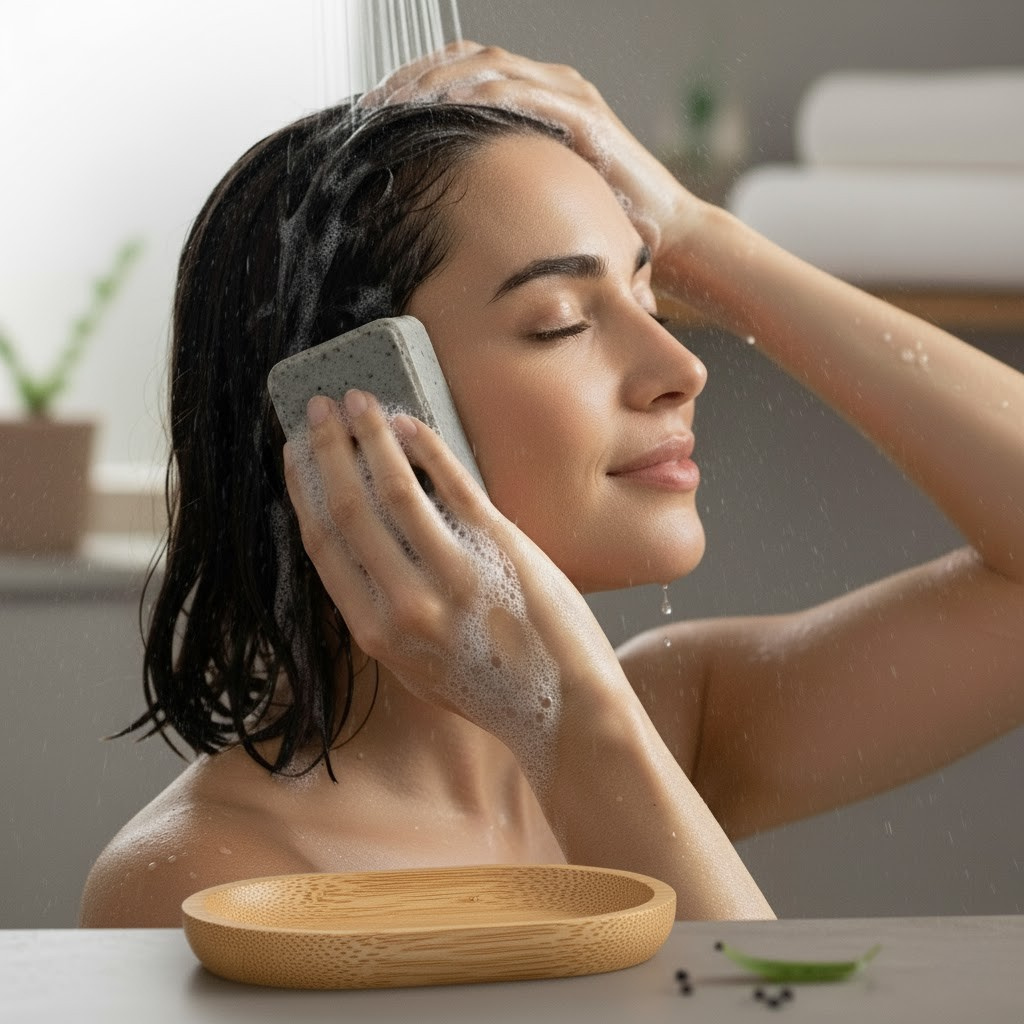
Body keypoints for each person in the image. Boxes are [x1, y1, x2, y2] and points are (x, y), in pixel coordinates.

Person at [81, 43, 1024, 928]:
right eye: (562, 321)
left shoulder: (659, 720)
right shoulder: (213, 881)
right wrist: (567, 715)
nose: (680, 368)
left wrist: (698, 235)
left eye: (651, 298)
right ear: (348, 403)